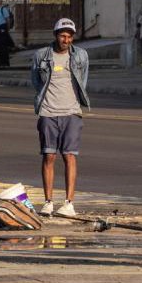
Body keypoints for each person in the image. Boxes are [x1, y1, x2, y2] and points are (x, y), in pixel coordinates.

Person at [31, 17, 89, 217]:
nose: (66, 40)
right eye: (63, 36)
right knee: (49, 155)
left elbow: (84, 80)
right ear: (56, 36)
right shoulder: (41, 55)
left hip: (71, 112)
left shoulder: (81, 56)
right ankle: (48, 202)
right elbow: (36, 81)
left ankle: (68, 203)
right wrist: (45, 101)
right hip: (48, 112)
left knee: (69, 156)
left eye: (69, 37)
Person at [0, 1, 16, 68]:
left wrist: (7, 29)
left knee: (3, 47)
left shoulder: (3, 9)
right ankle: (1, 62)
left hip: (2, 29)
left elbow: (7, 19)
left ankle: (5, 63)